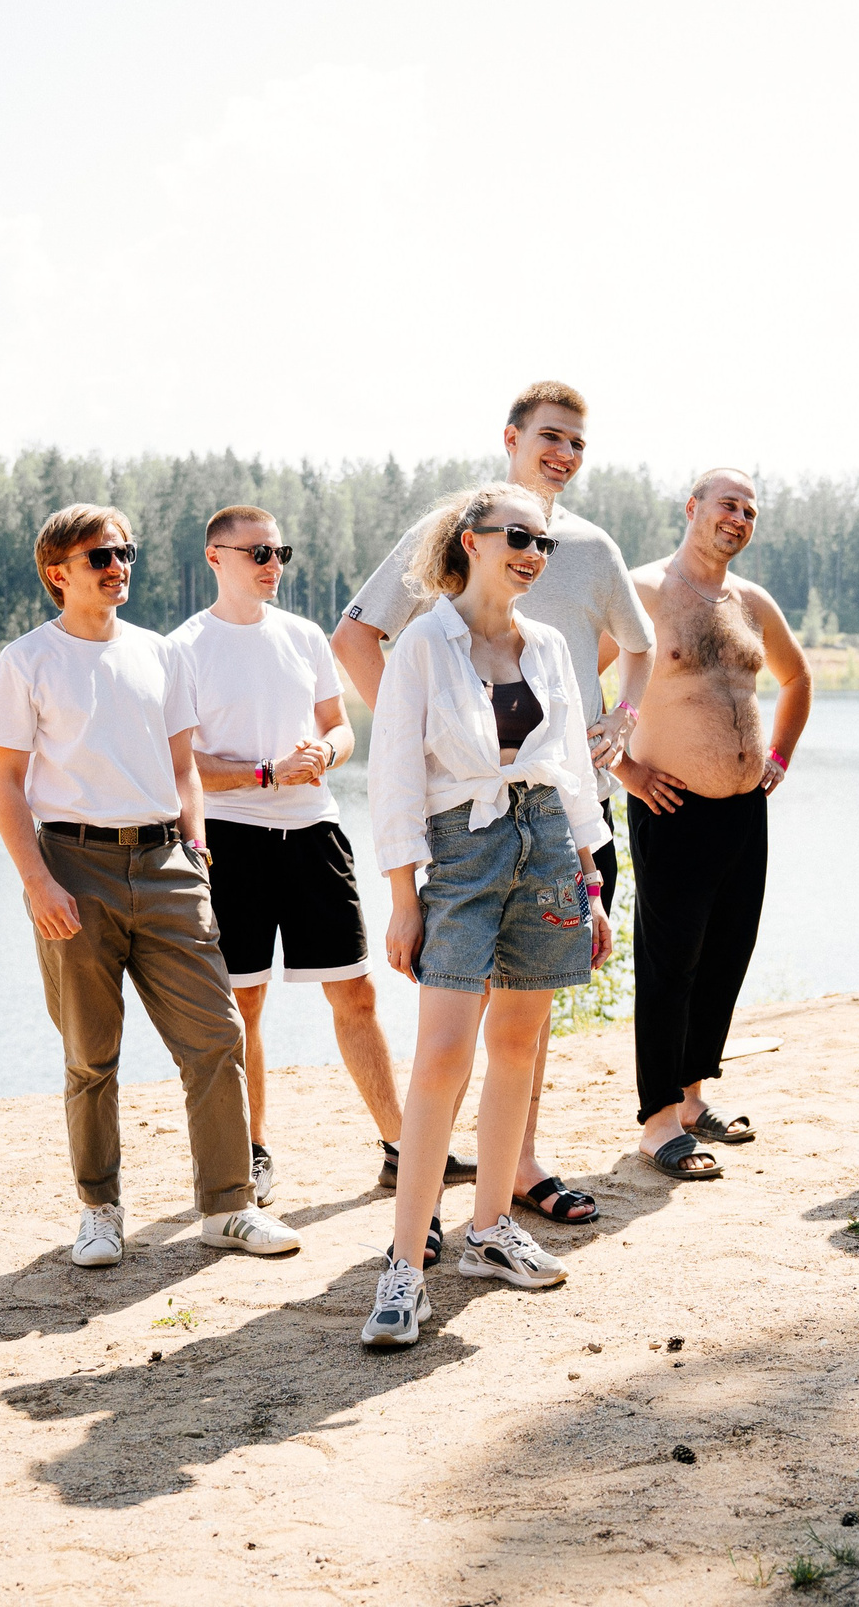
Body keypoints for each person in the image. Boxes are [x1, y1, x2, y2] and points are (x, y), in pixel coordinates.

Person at [333, 379, 650, 1226]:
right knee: (450, 1024)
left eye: (579, 443)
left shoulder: (589, 547)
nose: (565, 454)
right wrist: (432, 739)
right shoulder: (448, 532)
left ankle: (517, 1170)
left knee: (527, 1013)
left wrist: (619, 720)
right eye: (551, 436)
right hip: (464, 825)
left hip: (562, 815)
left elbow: (632, 646)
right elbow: (355, 637)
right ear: (510, 437)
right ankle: (425, 1199)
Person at [0, 503, 300, 1267]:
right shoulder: (26, 661)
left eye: (125, 554)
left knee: (216, 1038)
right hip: (72, 868)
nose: (118, 566)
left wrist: (194, 848)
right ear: (59, 574)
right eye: (100, 557)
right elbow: (7, 787)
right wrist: (36, 882)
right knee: (92, 1054)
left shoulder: (162, 654)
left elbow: (185, 767)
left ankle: (228, 1207)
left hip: (166, 865)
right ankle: (99, 1211)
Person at [359, 483, 615, 1348]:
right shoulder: (426, 643)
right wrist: (403, 898)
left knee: (518, 1047)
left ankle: (490, 1230)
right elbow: (393, 775)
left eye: (543, 543)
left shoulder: (544, 645)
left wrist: (591, 882)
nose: (533, 555)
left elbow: (573, 771)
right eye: (517, 537)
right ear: (470, 540)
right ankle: (403, 1265)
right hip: (461, 858)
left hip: (546, 850)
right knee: (439, 1058)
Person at [169, 504, 403, 1206]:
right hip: (231, 840)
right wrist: (265, 774)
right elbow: (182, 765)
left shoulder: (304, 637)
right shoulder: (183, 648)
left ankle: (402, 1146)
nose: (273, 565)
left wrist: (322, 756)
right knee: (244, 1005)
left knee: (356, 994)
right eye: (258, 553)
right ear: (216, 557)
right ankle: (254, 1151)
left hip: (314, 832)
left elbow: (340, 730)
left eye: (281, 553)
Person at [614, 469, 810, 1180]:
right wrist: (626, 771)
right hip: (670, 806)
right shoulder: (640, 591)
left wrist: (778, 755)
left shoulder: (751, 602)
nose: (739, 517)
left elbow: (798, 679)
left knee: (724, 955)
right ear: (692, 507)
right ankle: (658, 1122)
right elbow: (572, 682)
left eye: (751, 510)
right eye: (728, 503)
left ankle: (695, 1100)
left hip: (743, 811)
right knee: (668, 967)